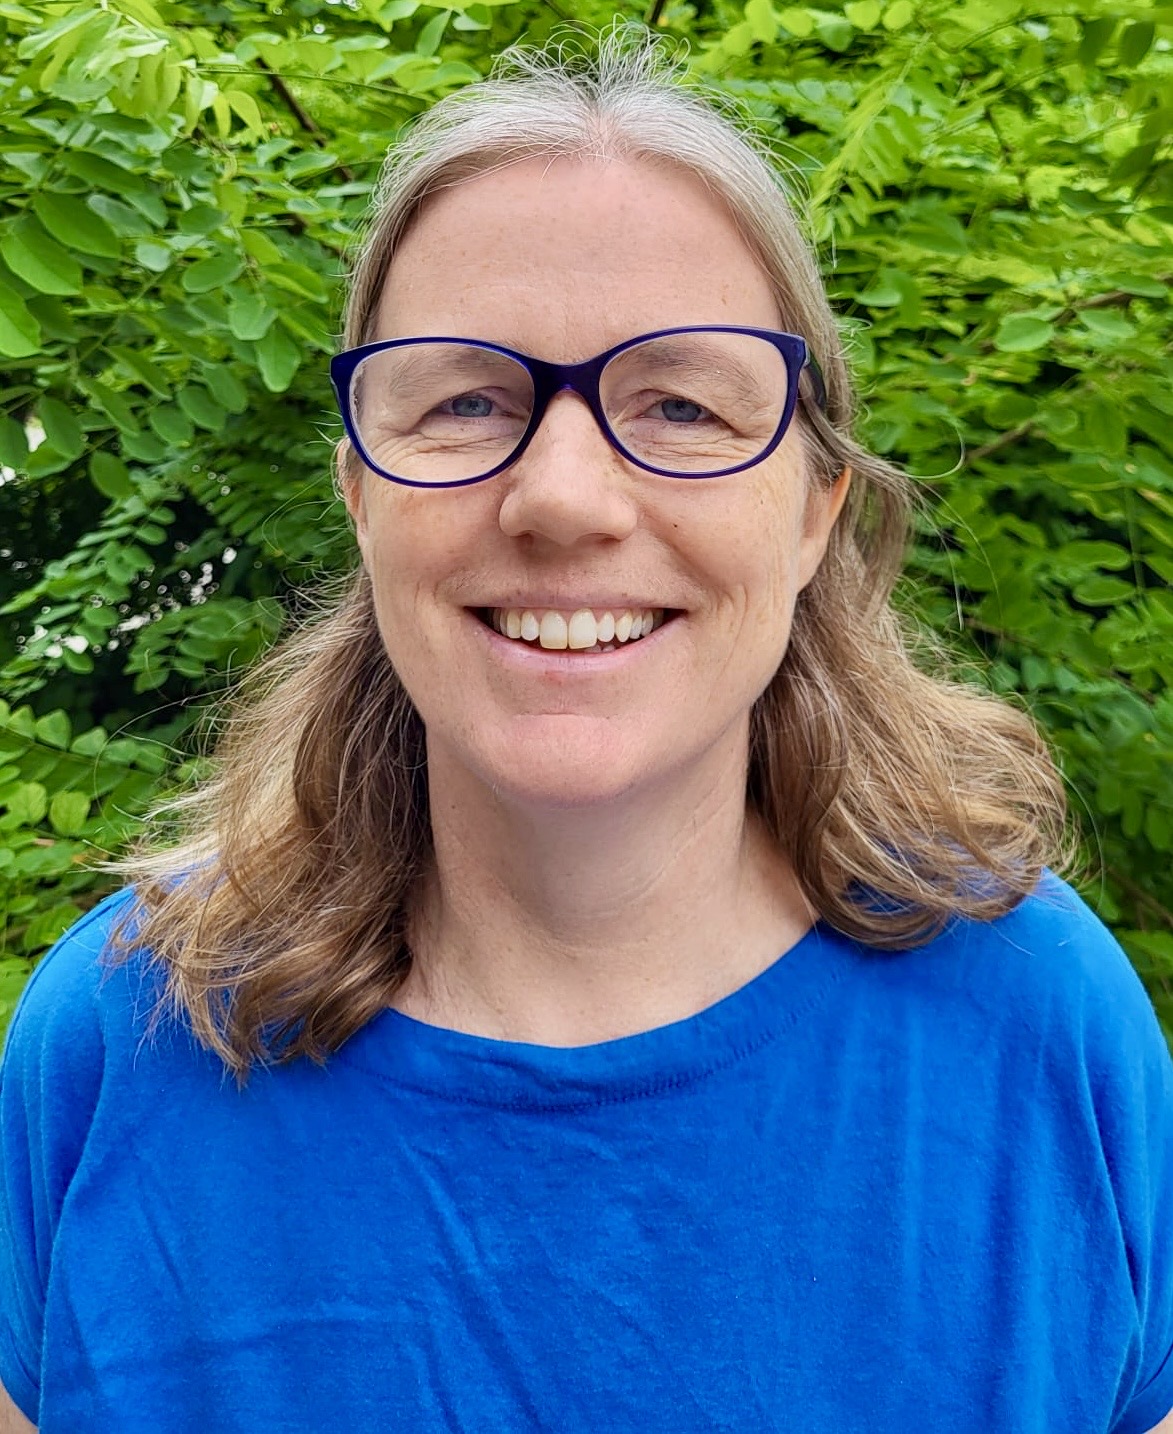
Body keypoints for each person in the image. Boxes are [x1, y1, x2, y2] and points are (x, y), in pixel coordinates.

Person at [2, 30, 1171, 1434]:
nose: (563, 496)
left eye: (680, 402)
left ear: (811, 511)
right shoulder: (121, 1036)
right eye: (463, 400)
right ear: (361, 495)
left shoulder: (1039, 1022)